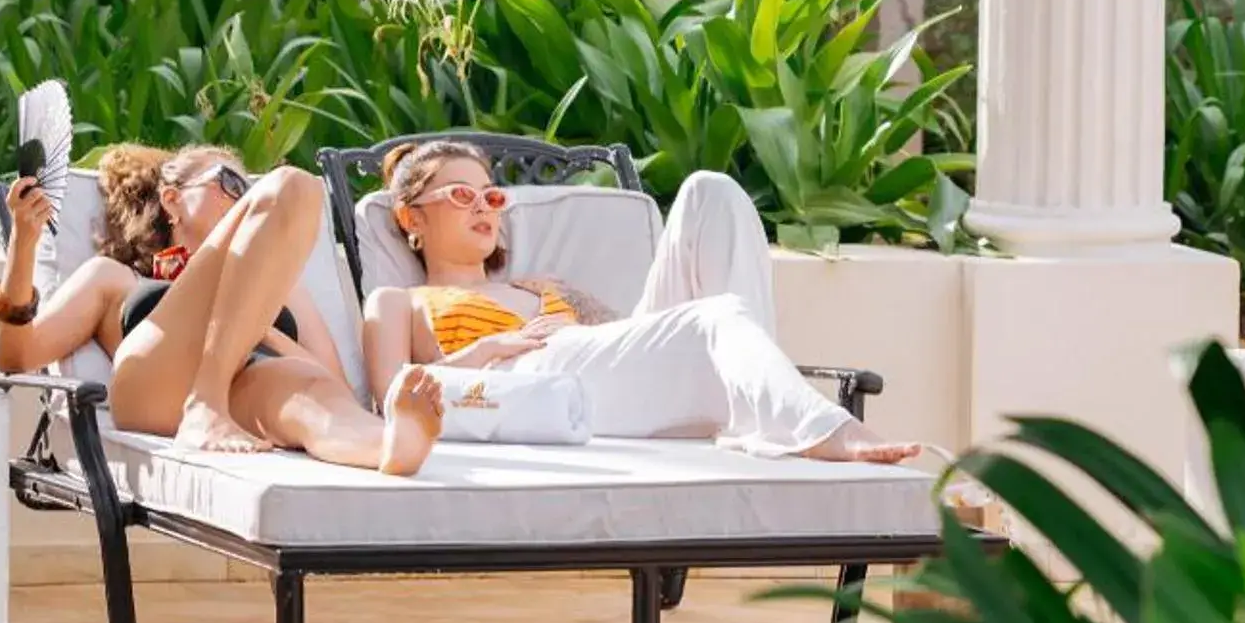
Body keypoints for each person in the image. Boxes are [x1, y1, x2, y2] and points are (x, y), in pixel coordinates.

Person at [360, 141, 921, 465]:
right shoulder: (400, 301)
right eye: (462, 195)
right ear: (411, 217)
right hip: (528, 383)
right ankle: (822, 429)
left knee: (711, 192)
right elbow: (392, 397)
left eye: (492, 195)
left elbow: (637, 336)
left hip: (605, 374)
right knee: (717, 317)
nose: (484, 207)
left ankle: (754, 411)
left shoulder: (541, 286)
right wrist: (487, 349)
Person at [0, 142, 442, 473]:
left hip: (248, 385)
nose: (241, 199)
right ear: (171, 198)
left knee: (315, 401)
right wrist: (24, 243)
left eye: (245, 189)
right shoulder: (117, 278)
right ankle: (204, 403)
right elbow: (16, 356)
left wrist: (255, 323)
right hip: (159, 382)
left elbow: (336, 384)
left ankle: (388, 447)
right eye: (228, 183)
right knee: (295, 186)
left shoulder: (285, 288)